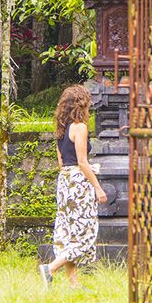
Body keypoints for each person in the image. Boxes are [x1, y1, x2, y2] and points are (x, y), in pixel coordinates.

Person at [40, 85, 107, 287]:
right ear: (81, 104)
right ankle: (50, 268)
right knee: (85, 232)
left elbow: (62, 163)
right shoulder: (80, 127)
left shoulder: (61, 129)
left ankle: (74, 284)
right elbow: (83, 162)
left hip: (64, 181)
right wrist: (98, 188)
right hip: (78, 182)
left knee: (69, 232)